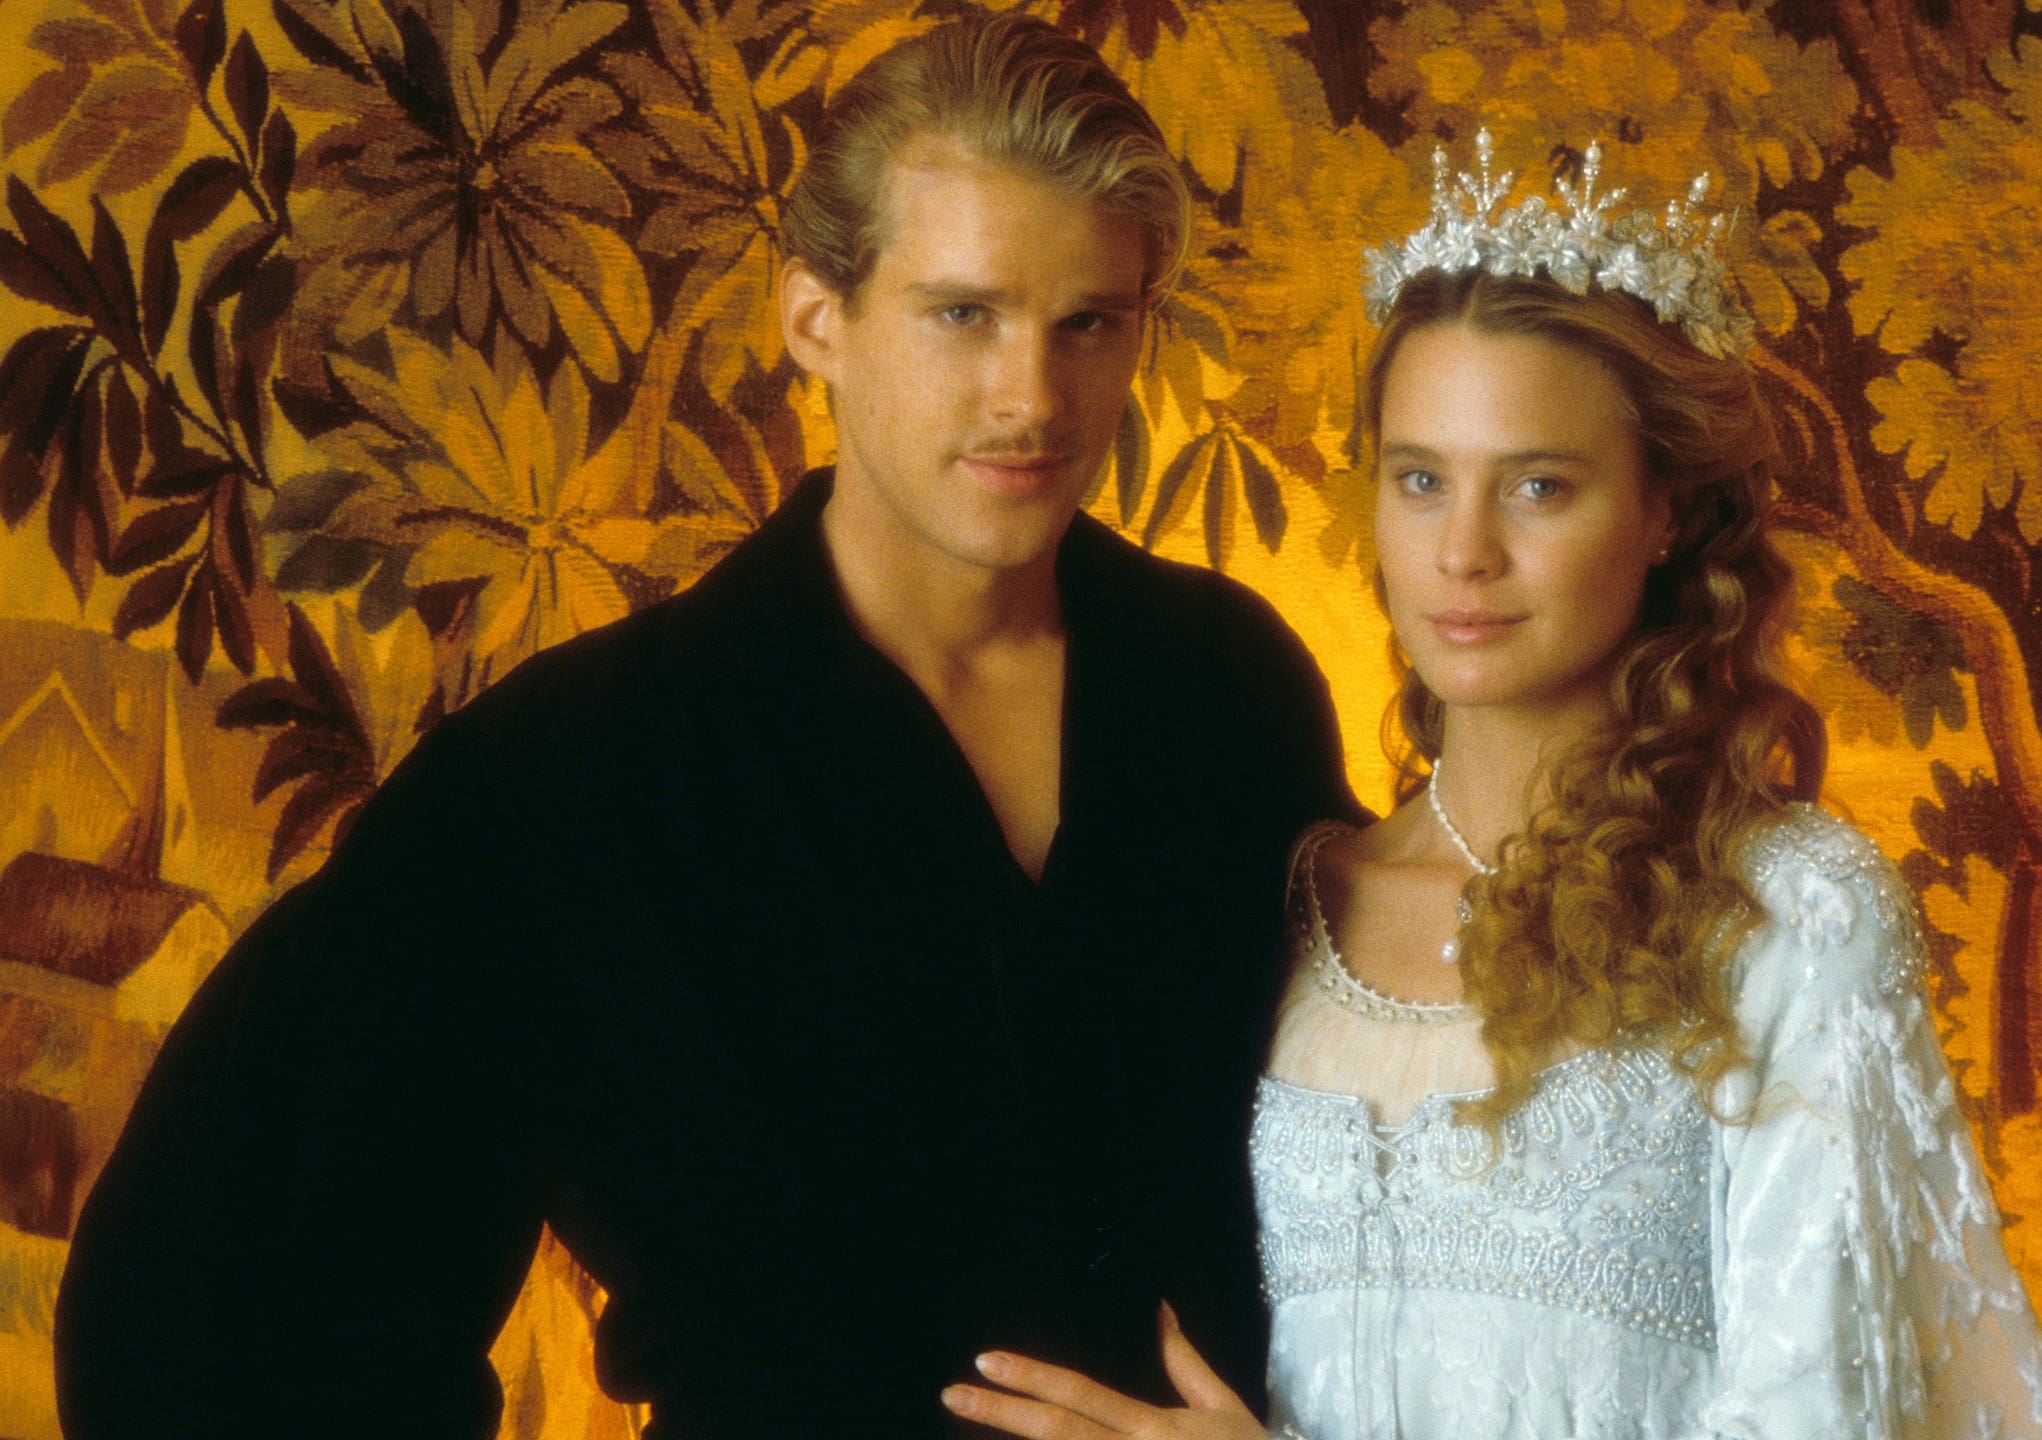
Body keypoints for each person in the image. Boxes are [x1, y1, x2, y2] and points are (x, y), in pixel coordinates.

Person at [53, 15, 1356, 1437]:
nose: (1031, 399)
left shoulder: (1227, 688)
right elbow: (209, 1304)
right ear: (816, 320)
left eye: (1086, 323)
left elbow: (1408, 1189)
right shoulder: (584, 776)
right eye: (963, 314)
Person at [944, 135, 2042, 1439]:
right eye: (1420, 480)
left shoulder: (1787, 919)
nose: (1464, 552)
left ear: (1665, 512)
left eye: (1540, 487)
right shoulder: (1290, 899)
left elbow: (1822, 1417)